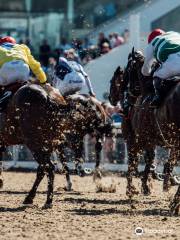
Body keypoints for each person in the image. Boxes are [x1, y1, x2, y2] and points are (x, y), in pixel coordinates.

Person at [0, 36, 47, 107]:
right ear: (14, 43)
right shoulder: (22, 47)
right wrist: (43, 81)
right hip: (23, 69)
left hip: (6, 71)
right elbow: (35, 65)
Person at [141, 29, 180, 106]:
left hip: (174, 65)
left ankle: (158, 98)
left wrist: (147, 73)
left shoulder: (152, 43)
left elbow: (146, 68)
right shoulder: (174, 33)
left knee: (156, 75)